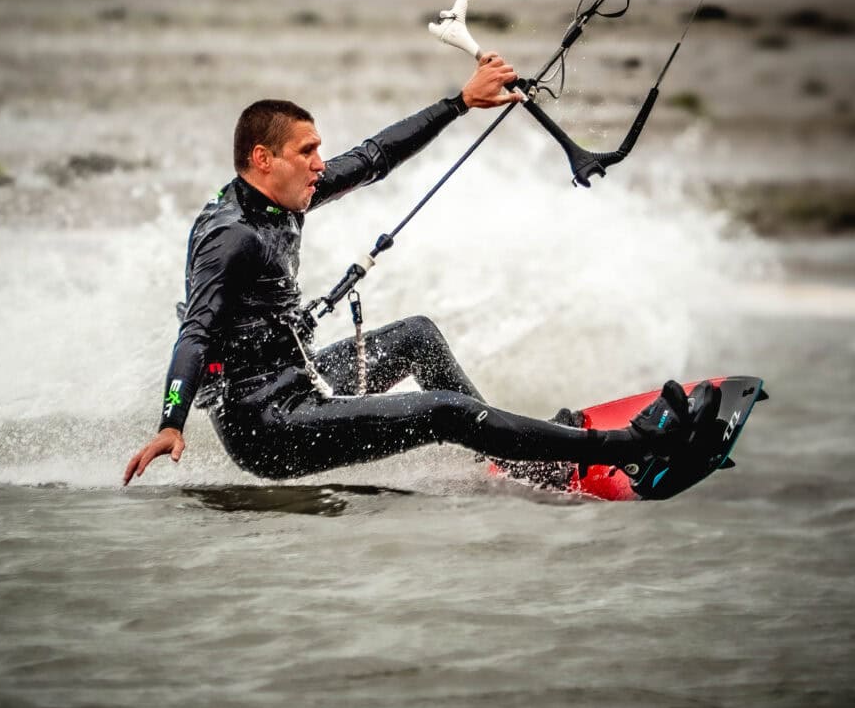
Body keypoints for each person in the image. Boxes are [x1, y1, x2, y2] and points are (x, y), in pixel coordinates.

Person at [123, 53, 704, 487]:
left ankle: (518, 459)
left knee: (416, 337)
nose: (320, 165)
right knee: (444, 414)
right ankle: (624, 448)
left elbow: (375, 157)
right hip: (271, 429)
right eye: (308, 152)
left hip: (299, 384)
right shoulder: (230, 238)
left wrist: (461, 102)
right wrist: (171, 423)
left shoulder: (282, 197)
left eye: (319, 150)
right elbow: (195, 334)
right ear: (262, 159)